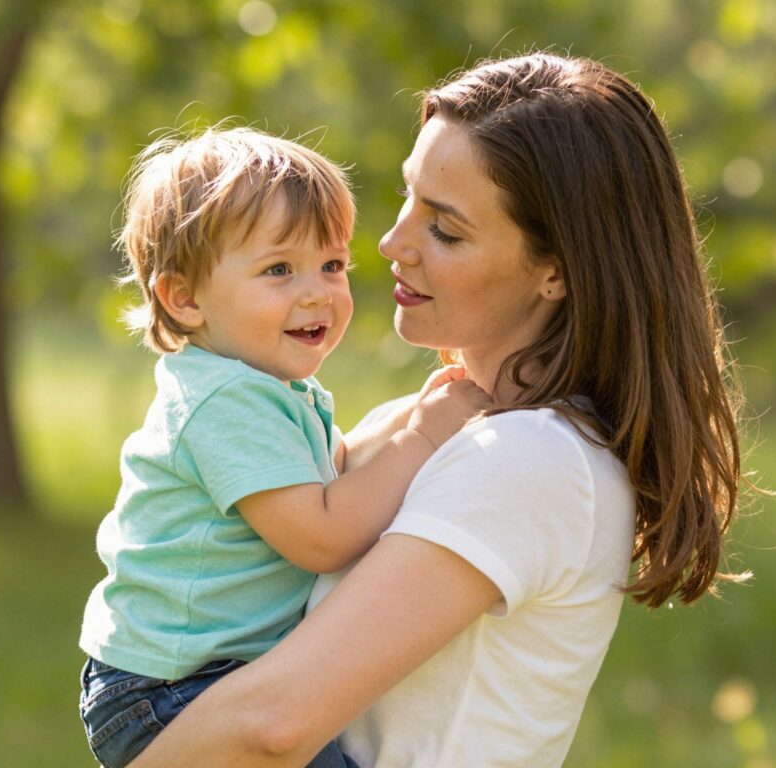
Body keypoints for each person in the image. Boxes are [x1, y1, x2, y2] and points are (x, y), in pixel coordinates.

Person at [126, 52, 748, 768]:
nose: (391, 245)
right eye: (407, 199)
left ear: (557, 271)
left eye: (445, 231)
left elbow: (271, 724)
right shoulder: (441, 422)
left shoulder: (529, 460)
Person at [77, 127, 491, 768]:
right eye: (278, 270)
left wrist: (418, 413)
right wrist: (425, 433)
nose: (317, 292)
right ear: (184, 298)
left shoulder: (263, 386)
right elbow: (323, 534)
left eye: (332, 265)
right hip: (170, 691)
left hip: (195, 677)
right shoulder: (226, 402)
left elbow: (332, 475)